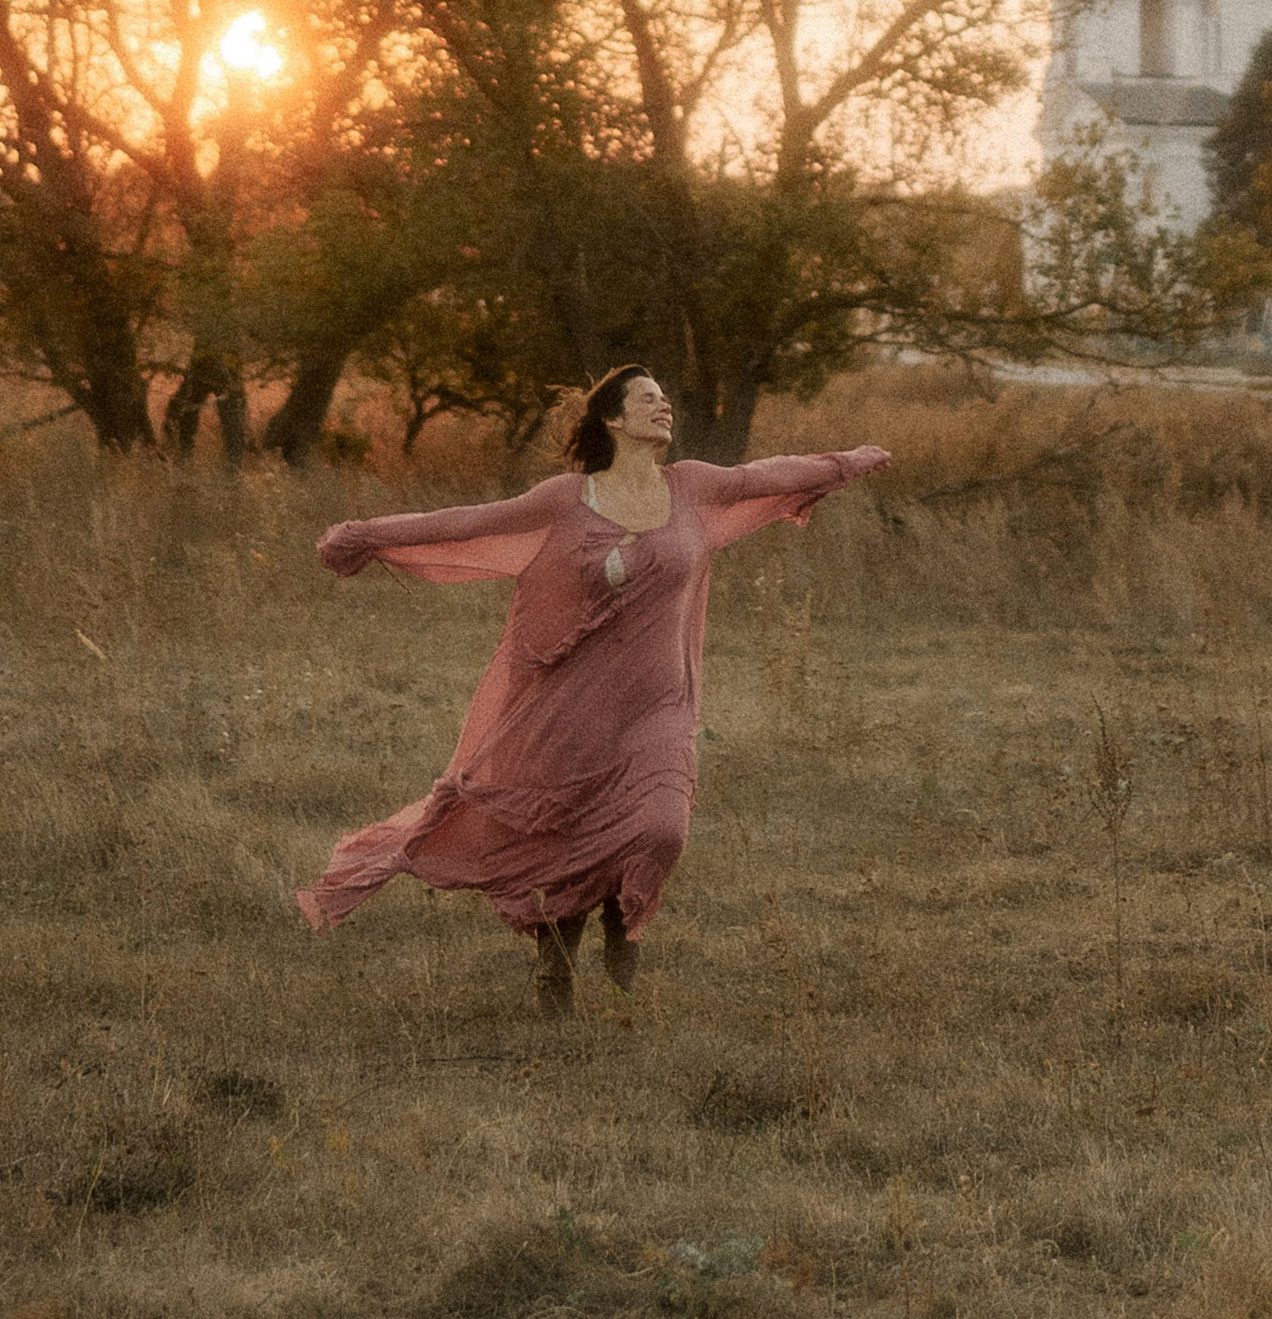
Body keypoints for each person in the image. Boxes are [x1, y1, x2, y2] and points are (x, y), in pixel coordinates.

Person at [297, 366, 889, 1011]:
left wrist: (848, 462)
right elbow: (470, 521)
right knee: (568, 840)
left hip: (658, 707)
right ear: (613, 418)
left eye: (665, 398)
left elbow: (765, 475)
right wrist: (368, 535)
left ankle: (623, 927)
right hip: (569, 706)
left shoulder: (692, 486)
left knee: (660, 827)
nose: (664, 407)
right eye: (648, 398)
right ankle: (557, 974)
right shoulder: (564, 499)